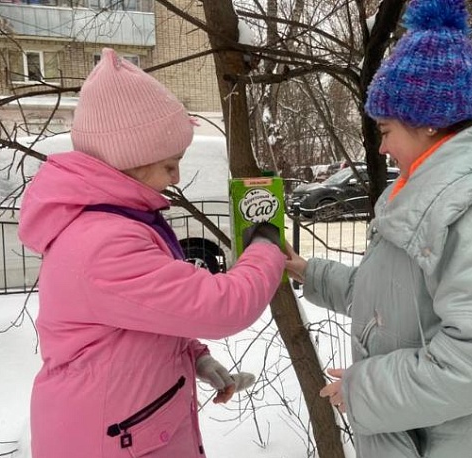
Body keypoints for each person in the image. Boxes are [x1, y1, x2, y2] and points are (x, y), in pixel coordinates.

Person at [284, 1, 472, 457]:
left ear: (428, 123)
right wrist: (307, 271)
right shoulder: (428, 198)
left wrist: (367, 391)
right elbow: (397, 301)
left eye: (385, 131)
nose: (381, 147)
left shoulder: (465, 210)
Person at [18, 48, 286, 458]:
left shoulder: (110, 223)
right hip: (106, 443)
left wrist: (194, 357)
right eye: (169, 164)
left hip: (124, 429)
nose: (177, 177)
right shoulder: (102, 244)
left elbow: (131, 323)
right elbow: (223, 307)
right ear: (129, 160)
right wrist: (266, 245)